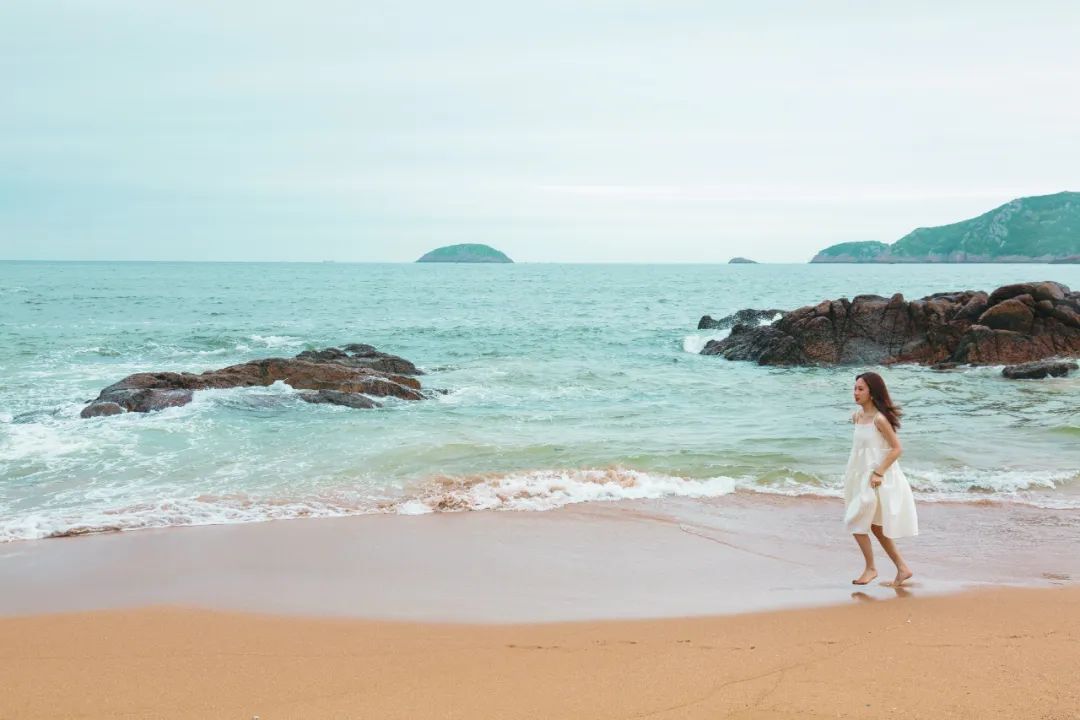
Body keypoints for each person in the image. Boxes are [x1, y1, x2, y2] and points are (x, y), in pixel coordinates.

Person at [844, 371, 917, 586]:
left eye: (860, 389)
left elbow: (896, 449)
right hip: (859, 476)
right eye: (855, 388)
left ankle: (871, 568)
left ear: (872, 392)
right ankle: (902, 568)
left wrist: (878, 473)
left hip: (876, 479)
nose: (856, 393)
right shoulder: (857, 417)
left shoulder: (880, 419)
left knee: (854, 520)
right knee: (874, 526)